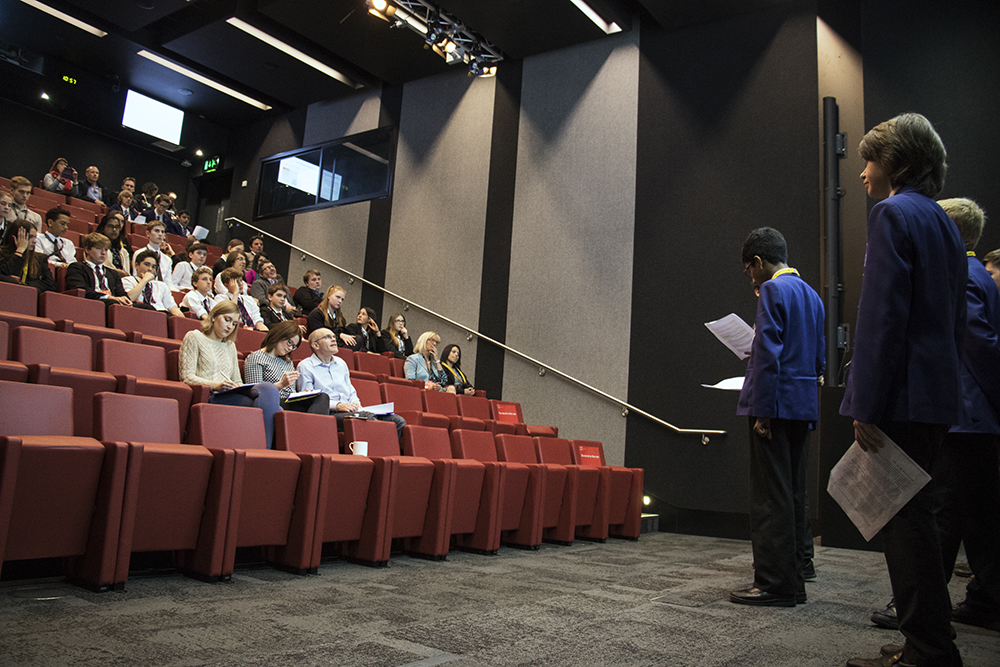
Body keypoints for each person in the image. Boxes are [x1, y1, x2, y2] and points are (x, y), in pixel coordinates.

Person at [840, 114, 966, 667]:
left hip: (902, 396)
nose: (863, 173)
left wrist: (863, 402)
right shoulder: (942, 221)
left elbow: (882, 317)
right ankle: (930, 641)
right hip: (935, 394)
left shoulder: (892, 213)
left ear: (893, 163)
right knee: (920, 519)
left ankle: (928, 651)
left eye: (869, 160)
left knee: (904, 523)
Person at [870, 198, 1000, 635]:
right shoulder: (981, 273)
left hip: (965, 415)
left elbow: (979, 347)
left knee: (939, 513)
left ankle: (921, 610)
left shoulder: (962, 275)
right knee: (981, 517)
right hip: (980, 417)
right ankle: (987, 600)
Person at [727, 228, 824, 608]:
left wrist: (763, 411)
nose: (749, 277)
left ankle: (773, 583)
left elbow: (767, 352)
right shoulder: (812, 294)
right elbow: (819, 356)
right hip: (803, 403)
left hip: (776, 403)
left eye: (748, 270)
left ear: (757, 262)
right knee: (794, 491)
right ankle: (794, 579)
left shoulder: (772, 290)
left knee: (770, 496)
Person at [179, 300, 282, 448]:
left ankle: (262, 448)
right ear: (213, 317)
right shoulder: (194, 337)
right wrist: (216, 385)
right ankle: (264, 449)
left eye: (234, 324)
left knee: (269, 388)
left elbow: (237, 379)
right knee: (277, 411)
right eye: (227, 320)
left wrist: (237, 385)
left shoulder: (230, 345)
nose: (230, 327)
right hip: (211, 395)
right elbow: (186, 377)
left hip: (231, 393)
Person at [296, 327, 406, 438]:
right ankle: (376, 448)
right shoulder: (305, 366)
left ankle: (387, 447)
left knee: (397, 420)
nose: (333, 339)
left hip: (349, 410)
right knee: (368, 418)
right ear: (315, 345)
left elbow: (350, 389)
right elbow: (309, 399)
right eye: (328, 337)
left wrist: (356, 403)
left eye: (334, 336)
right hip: (329, 413)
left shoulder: (341, 363)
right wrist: (338, 406)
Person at [244, 321, 329, 414]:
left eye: (293, 346)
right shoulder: (256, 357)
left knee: (322, 397)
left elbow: (291, 391)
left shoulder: (288, 362)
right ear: (279, 335)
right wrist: (281, 384)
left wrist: (301, 394)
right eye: (289, 343)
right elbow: (255, 392)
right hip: (273, 401)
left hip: (289, 400)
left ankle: (311, 423)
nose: (290, 348)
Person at [65, 232, 132, 307]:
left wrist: (125, 300)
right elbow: (81, 289)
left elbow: (121, 294)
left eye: (106, 249)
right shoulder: (77, 267)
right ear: (87, 249)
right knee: (113, 303)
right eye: (99, 248)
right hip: (91, 303)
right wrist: (107, 297)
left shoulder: (113, 273)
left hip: (113, 302)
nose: (103, 253)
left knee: (141, 307)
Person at [0, 219, 56, 292]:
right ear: (16, 237)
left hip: (29, 296)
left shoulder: (40, 258)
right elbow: (4, 275)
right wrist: (19, 251)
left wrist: (25, 286)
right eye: (30, 237)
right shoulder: (1, 253)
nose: (34, 241)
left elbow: (50, 285)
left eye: (35, 237)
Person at [123, 249, 183, 315]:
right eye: (147, 264)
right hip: (139, 313)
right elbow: (130, 298)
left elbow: (172, 306)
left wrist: (179, 317)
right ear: (136, 265)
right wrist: (145, 280)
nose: (150, 269)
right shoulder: (127, 280)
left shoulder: (161, 285)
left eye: (153, 267)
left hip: (161, 315)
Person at [215, 267, 268, 331]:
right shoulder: (220, 298)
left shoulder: (249, 300)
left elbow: (258, 322)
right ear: (226, 285)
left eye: (241, 280)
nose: (240, 284)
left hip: (252, 331)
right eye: (236, 282)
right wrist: (235, 293)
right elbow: (230, 315)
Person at [133, 219, 176, 286]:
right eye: (156, 231)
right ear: (148, 233)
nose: (160, 234)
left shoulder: (167, 259)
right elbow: (135, 276)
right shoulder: (139, 253)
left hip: (162, 290)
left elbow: (169, 283)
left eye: (162, 232)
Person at [95, 212, 131, 277]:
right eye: (111, 226)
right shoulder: (95, 246)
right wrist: (117, 272)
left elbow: (127, 274)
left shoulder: (123, 251)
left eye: (117, 227)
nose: (114, 230)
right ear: (103, 228)